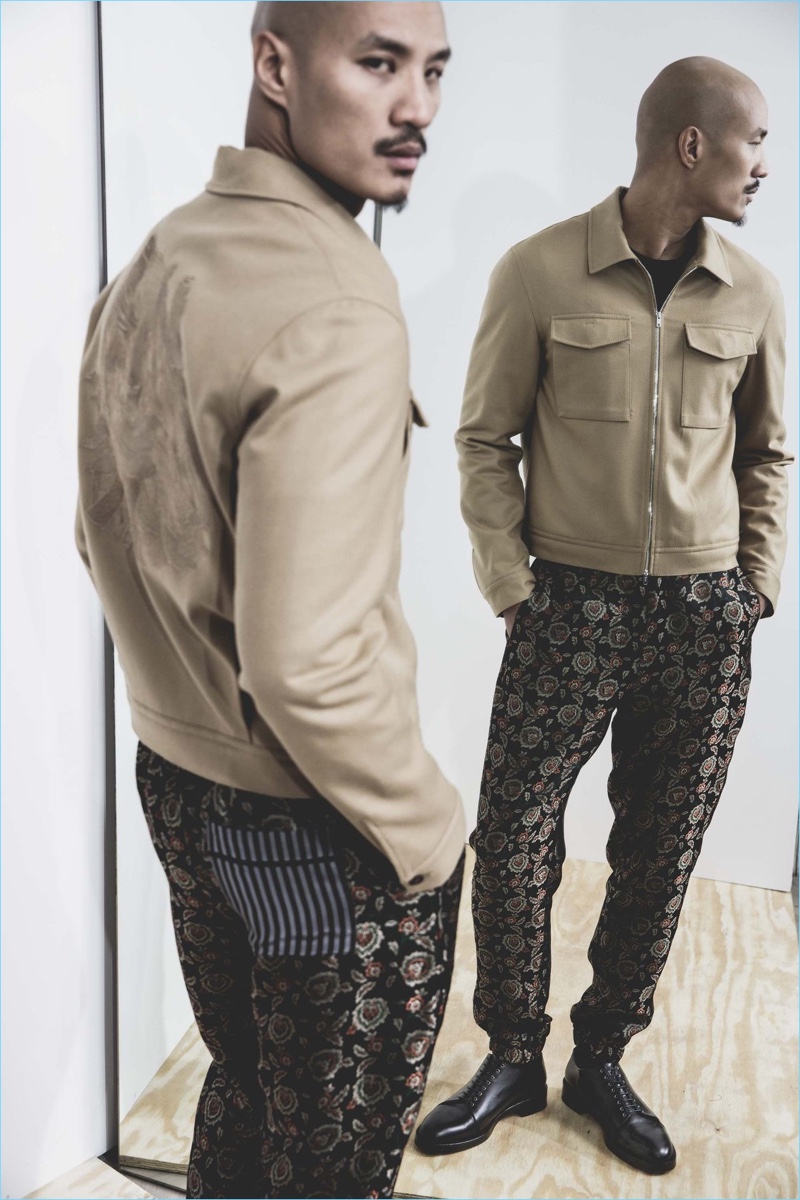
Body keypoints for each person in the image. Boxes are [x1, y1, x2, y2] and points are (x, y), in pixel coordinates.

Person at [75, 4, 465, 1197]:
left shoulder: (165, 252)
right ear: (274, 65)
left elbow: (97, 532)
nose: (415, 109)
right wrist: (427, 830)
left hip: (177, 779)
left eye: (433, 72)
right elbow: (305, 660)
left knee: (243, 1095)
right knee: (328, 1167)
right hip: (314, 819)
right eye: (378, 64)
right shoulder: (338, 299)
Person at [415, 56, 791, 1175]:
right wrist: (512, 586)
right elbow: (482, 438)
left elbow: (769, 453)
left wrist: (753, 587)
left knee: (659, 849)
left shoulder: (753, 291)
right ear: (690, 143)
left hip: (703, 616)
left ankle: (600, 1059)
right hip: (568, 602)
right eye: (753, 142)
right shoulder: (538, 272)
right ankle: (511, 1055)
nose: (762, 167)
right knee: (515, 832)